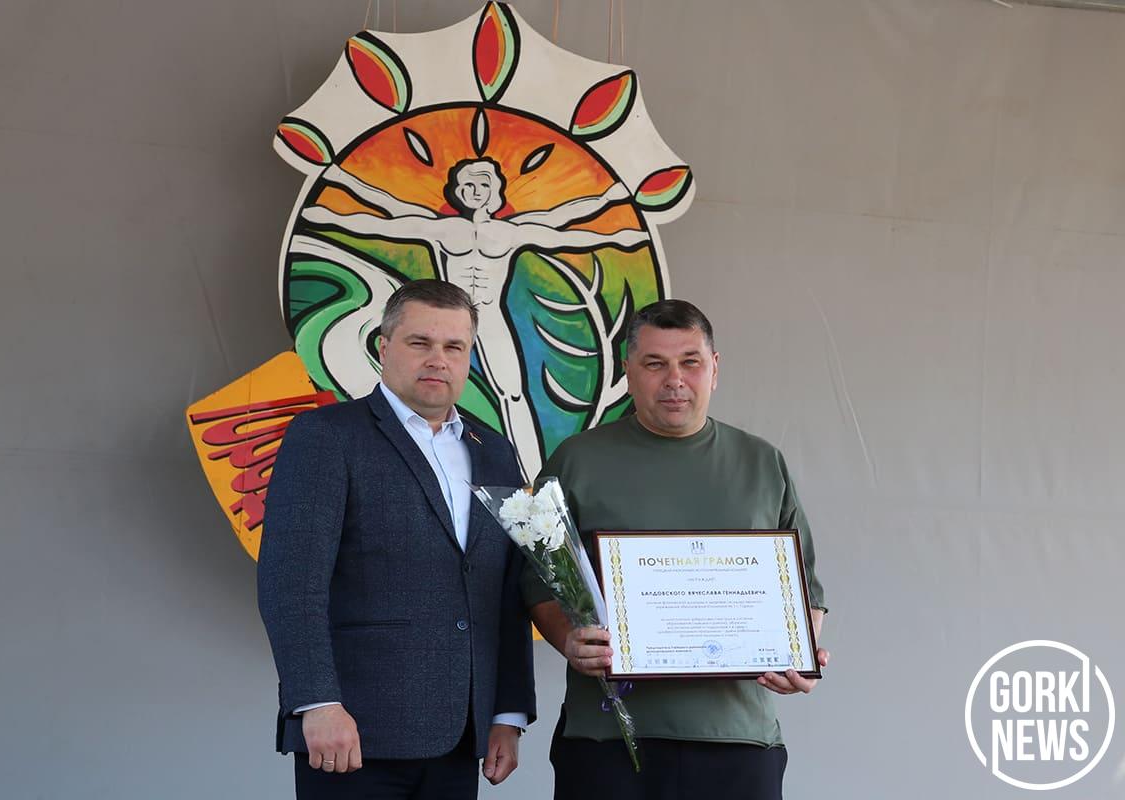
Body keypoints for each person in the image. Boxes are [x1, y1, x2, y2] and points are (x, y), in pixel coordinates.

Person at [525, 299, 830, 800]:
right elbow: (537, 584)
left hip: (737, 738)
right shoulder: (577, 460)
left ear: (715, 368)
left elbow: (806, 593)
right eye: (655, 364)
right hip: (609, 738)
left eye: (690, 362)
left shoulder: (762, 463)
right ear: (628, 371)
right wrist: (568, 640)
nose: (675, 380)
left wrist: (798, 654)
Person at [258, 279, 536, 799]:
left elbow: (504, 591)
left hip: (461, 736)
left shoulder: (494, 451)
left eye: (454, 346)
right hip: (353, 733)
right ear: (384, 348)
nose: (438, 359)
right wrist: (317, 702)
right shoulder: (326, 436)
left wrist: (507, 713)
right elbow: (290, 584)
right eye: (420, 342)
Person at [297, 157, 645, 476]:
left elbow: (563, 225)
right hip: (454, 320)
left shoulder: (510, 232)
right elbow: (389, 215)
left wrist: (611, 202)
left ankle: (530, 477)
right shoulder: (446, 229)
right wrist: (338, 194)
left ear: (496, 192)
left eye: (483, 184)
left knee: (513, 394)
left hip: (488, 320)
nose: (475, 191)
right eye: (468, 184)